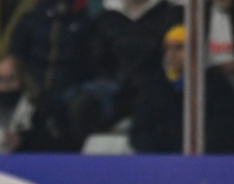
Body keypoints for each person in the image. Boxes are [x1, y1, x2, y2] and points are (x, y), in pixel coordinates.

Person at [71, 0, 183, 145]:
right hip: (114, 89)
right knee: (81, 103)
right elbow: (96, 62)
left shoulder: (174, 15)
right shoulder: (106, 19)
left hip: (161, 88)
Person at [130, 24, 234, 152]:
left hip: (204, 162)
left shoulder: (217, 85)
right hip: (162, 163)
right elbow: (139, 132)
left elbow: (224, 128)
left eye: (179, 48)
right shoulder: (152, 86)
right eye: (167, 48)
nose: (171, 54)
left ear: (195, 50)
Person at [7, 0, 92, 151]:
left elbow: (89, 63)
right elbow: (16, 56)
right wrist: (32, 88)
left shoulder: (84, 22)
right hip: (31, 90)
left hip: (68, 93)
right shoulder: (31, 20)